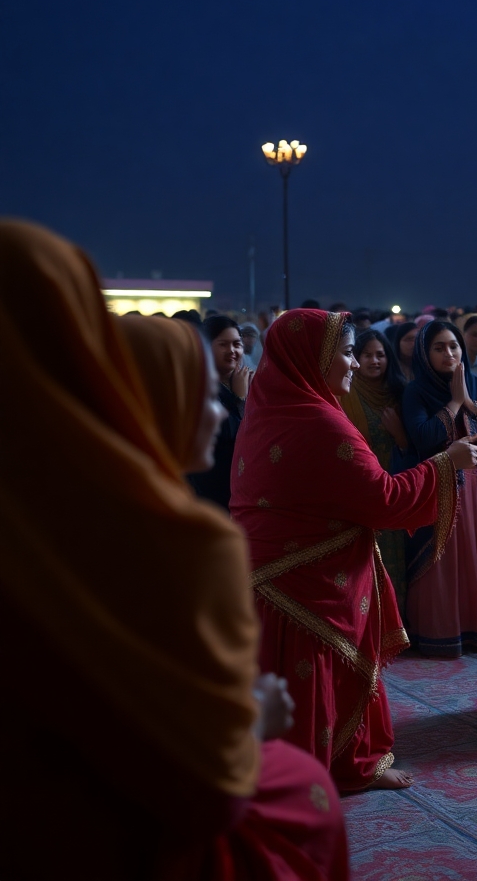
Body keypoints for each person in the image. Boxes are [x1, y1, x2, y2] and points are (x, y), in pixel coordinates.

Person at [0, 222, 349, 880]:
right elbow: (205, 789)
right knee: (304, 793)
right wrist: (256, 722)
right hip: (115, 840)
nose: (219, 410)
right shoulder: (173, 542)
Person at [232, 308, 477, 792]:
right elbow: (384, 500)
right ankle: (313, 776)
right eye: (346, 353)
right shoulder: (320, 423)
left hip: (270, 577)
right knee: (317, 681)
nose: (353, 363)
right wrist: (445, 462)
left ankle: (333, 766)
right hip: (305, 586)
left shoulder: (270, 409)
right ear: (314, 358)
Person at [402, 320, 477, 656]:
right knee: (442, 557)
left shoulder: (475, 383)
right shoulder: (416, 391)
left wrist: (471, 403)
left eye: (453, 346)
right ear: (424, 353)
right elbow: (424, 437)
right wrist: (456, 402)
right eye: (439, 347)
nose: (448, 353)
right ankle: (441, 633)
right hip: (439, 486)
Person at [340, 328, 412, 617]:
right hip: (361, 490)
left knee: (395, 560)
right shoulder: (346, 393)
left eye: (380, 355)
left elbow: (414, 448)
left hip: (396, 487)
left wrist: (399, 435)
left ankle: (396, 626)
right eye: (366, 354)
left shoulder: (400, 393)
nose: (374, 361)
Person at [188, 315, 254, 510]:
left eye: (237, 344)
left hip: (236, 492)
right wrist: (240, 400)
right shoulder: (198, 387)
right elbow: (234, 436)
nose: (232, 351)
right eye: (223, 344)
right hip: (210, 493)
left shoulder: (245, 382)